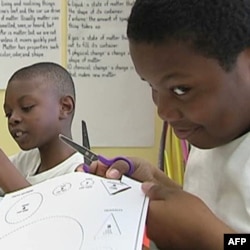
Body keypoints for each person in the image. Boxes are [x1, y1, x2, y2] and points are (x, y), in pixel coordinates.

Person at [79, 0, 250, 249]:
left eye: (181, 89)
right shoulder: (209, 138)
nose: (163, 111)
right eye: (152, 86)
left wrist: (207, 236)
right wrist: (158, 186)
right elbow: (220, 211)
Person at [1, 62, 84, 195]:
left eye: (26, 107)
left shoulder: (79, 174)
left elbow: (36, 211)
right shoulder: (27, 161)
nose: (13, 119)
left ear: (65, 107)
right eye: (8, 113)